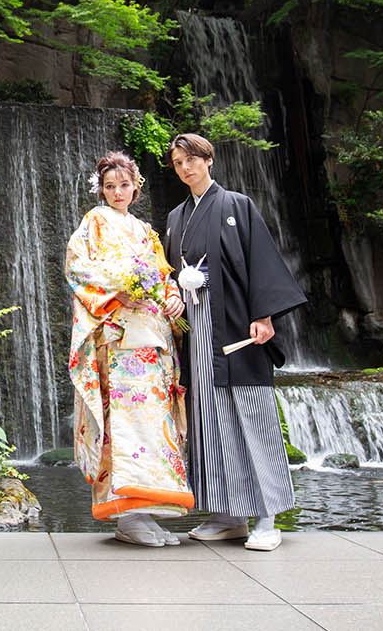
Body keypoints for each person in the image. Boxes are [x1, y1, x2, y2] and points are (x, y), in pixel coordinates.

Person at [163, 133, 307, 551]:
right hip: (196, 331)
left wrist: (263, 315)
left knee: (250, 416)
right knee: (209, 422)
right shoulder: (175, 217)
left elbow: (260, 259)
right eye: (177, 163)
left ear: (208, 160)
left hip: (236, 328)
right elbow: (169, 272)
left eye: (192, 159)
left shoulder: (236, 205)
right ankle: (228, 515)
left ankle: (266, 517)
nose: (186, 168)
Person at [65, 151, 196, 547]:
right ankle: (125, 513)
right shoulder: (93, 223)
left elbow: (163, 274)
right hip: (118, 336)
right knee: (122, 422)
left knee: (154, 422)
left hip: (152, 336)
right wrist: (120, 289)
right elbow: (77, 267)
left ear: (135, 187)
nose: (117, 192)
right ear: (100, 190)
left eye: (124, 185)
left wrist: (173, 297)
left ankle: (145, 511)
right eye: (109, 186)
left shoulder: (145, 231)